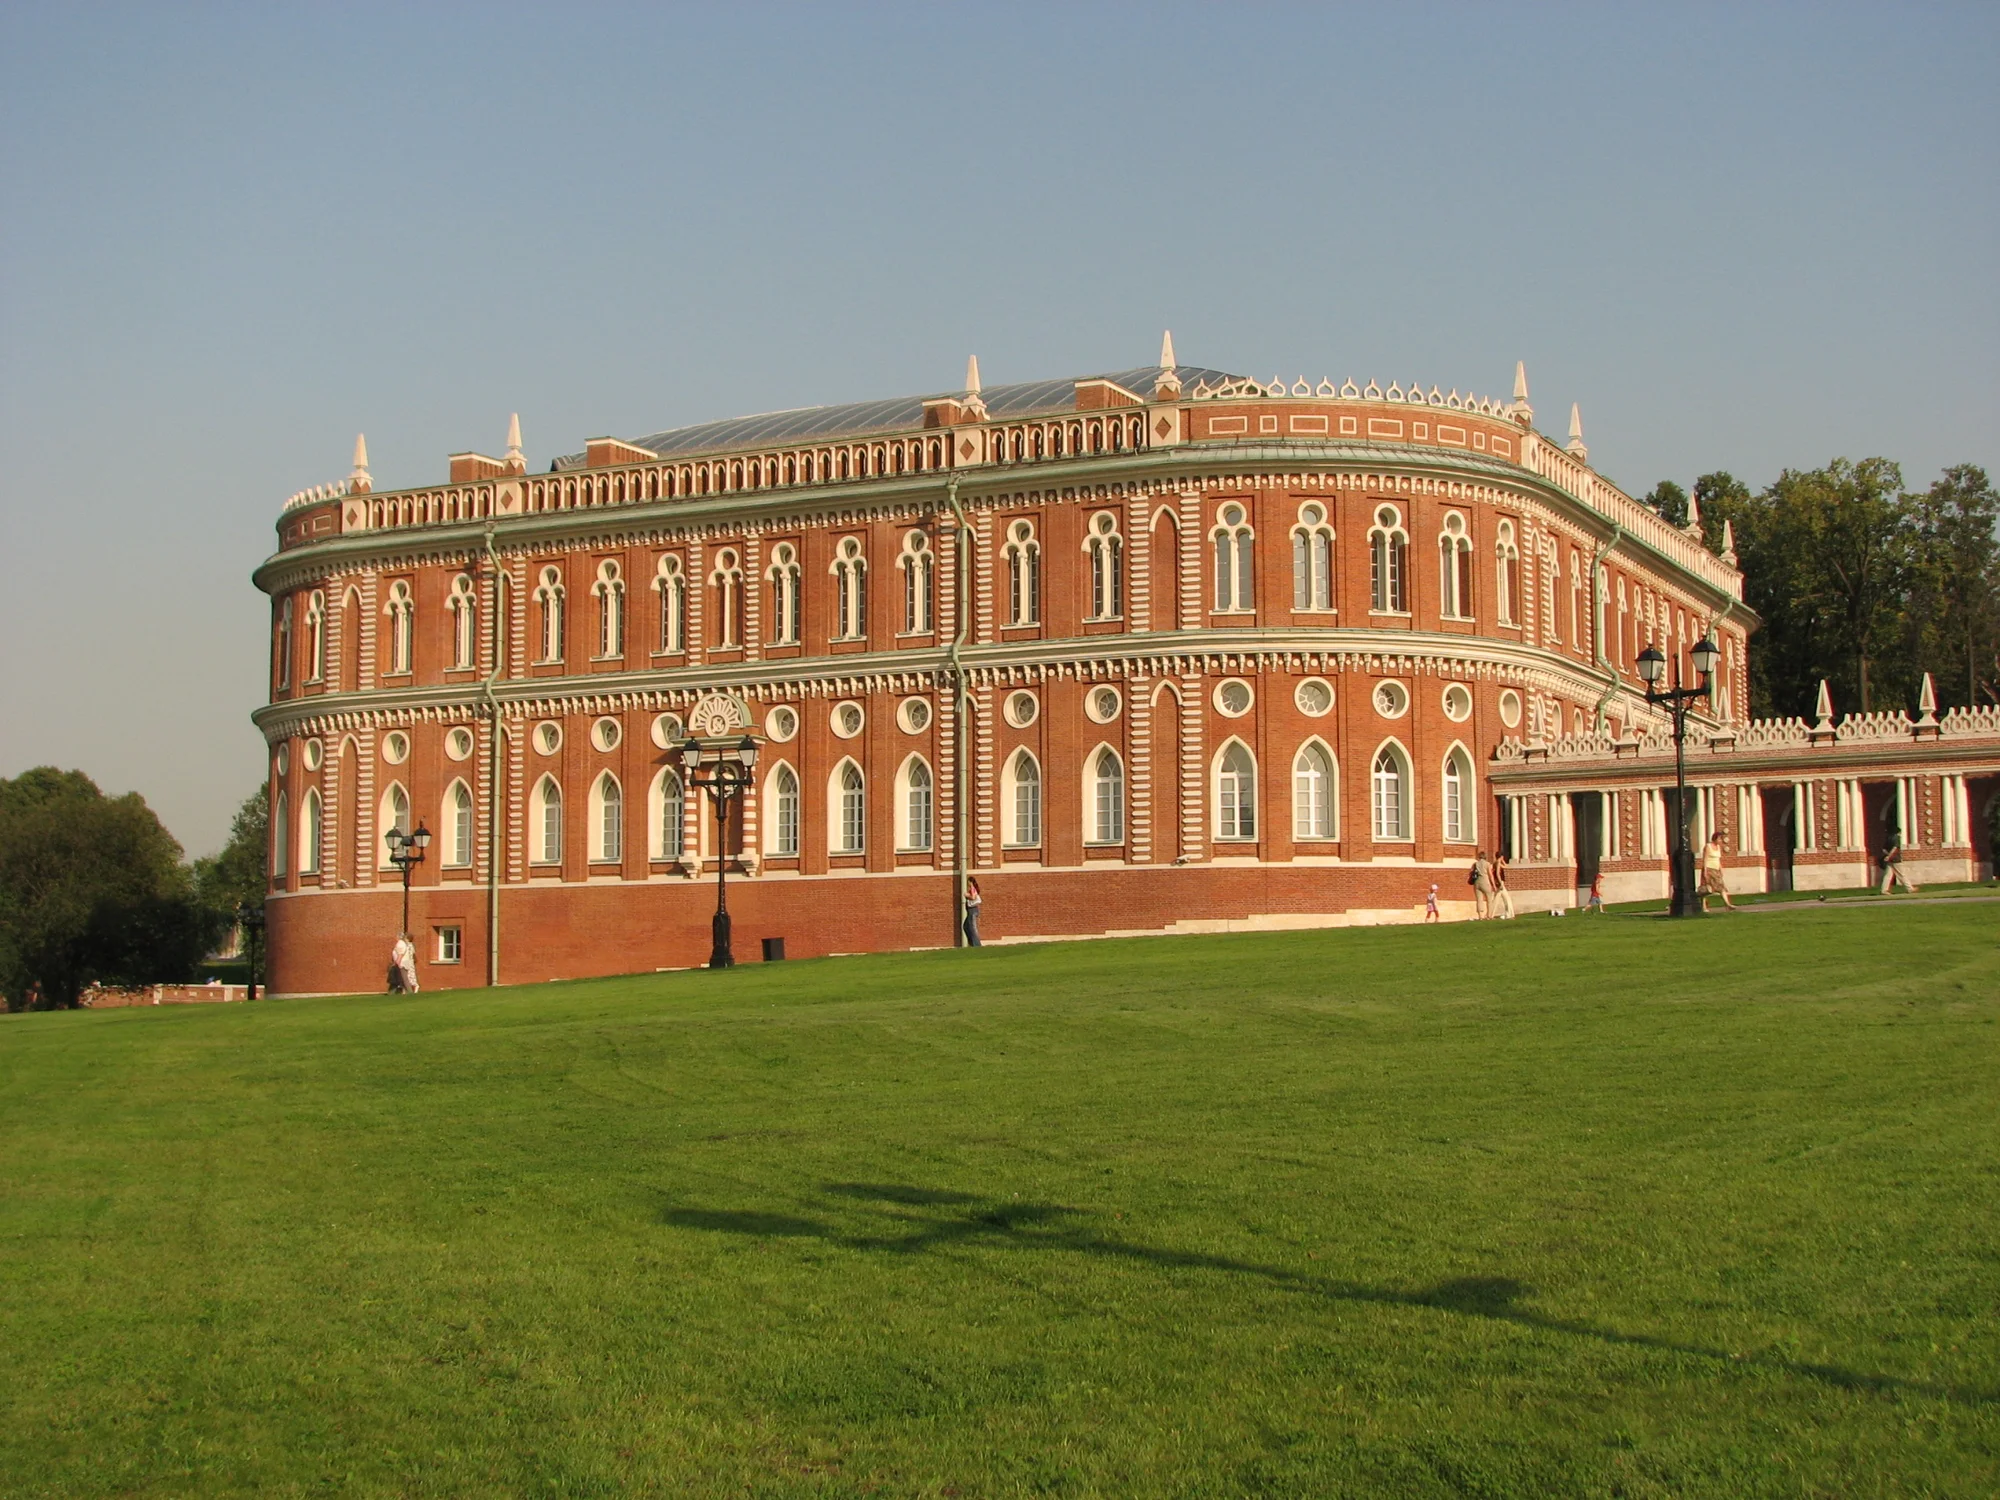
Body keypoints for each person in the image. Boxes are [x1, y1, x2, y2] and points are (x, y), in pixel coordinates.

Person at [1700, 833, 1736, 911]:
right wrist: (1705, 871)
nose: (1720, 840)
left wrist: (1721, 868)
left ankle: (1727, 904)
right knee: (1706, 889)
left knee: (1721, 887)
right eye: (1719, 839)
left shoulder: (1718, 847)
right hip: (1709, 869)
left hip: (1716, 870)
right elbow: (1705, 859)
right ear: (1715, 838)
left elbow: (1718, 859)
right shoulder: (1708, 846)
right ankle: (1704, 907)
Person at [1469, 851, 1494, 919]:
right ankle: (1489, 915)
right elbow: (1490, 875)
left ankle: (1480, 916)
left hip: (1477, 883)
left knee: (1479, 899)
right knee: (1489, 899)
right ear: (1485, 856)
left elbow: (1471, 872)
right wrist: (1493, 885)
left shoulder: (1475, 864)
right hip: (1485, 882)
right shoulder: (1487, 864)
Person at [1492, 853, 1516, 919]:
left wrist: (1502, 861)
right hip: (1500, 883)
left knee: (1498, 899)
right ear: (1501, 856)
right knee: (1506, 899)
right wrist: (1500, 883)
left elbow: (1505, 866)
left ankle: (1491, 914)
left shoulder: (1496, 863)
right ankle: (1509, 915)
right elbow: (1497, 873)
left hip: (1499, 882)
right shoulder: (1498, 863)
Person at [962, 877, 983, 946]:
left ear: (970, 882)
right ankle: (971, 942)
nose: (967, 883)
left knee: (972, 927)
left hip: (973, 910)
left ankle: (977, 945)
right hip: (970, 911)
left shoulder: (972, 889)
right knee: (965, 926)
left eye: (968, 882)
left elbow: (973, 897)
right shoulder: (972, 889)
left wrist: (967, 895)